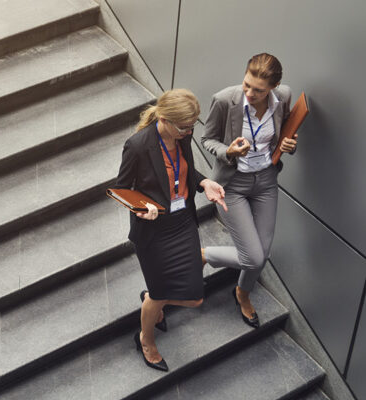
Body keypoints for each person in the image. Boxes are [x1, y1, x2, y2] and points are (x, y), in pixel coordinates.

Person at [114, 89, 227, 372]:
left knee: (195, 297)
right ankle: (146, 338)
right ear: (164, 119)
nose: (190, 132)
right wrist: (141, 207)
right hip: (153, 233)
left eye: (192, 126)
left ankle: (151, 300)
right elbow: (121, 190)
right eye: (185, 127)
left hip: (182, 224)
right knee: (160, 293)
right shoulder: (138, 146)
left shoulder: (182, 136)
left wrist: (204, 183)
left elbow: (185, 171)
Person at [201, 53, 298, 329]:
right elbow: (207, 139)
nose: (250, 93)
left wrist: (290, 145)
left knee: (261, 254)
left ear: (275, 87)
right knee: (253, 257)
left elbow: (286, 133)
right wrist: (228, 151)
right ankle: (204, 255)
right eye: (247, 85)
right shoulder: (224, 100)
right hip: (232, 184)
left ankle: (241, 292)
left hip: (266, 181)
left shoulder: (284, 97)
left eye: (259, 90)